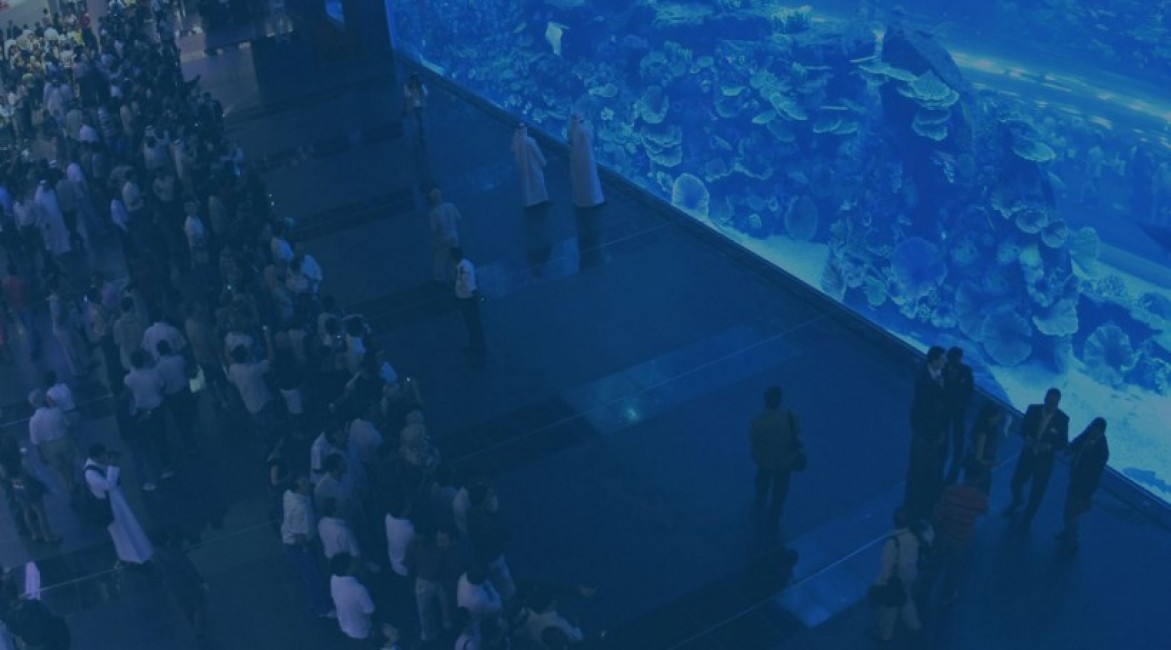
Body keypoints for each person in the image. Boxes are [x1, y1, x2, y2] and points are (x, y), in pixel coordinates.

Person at [1005, 388, 1069, 527]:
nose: (1051, 405)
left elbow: (1063, 442)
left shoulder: (1062, 420)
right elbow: (1023, 428)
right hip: (1028, 455)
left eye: (1054, 403)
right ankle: (1017, 501)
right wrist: (1027, 437)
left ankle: (1027, 520)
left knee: (1037, 493)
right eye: (1049, 401)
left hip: (1044, 462)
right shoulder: (1033, 409)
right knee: (1016, 482)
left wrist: (1049, 446)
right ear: (1045, 399)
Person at [84, 444, 154, 567]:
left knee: (128, 527)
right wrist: (111, 466)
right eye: (102, 456)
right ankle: (131, 557)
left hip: (116, 501)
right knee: (122, 532)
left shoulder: (95, 465)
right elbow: (108, 485)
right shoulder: (90, 473)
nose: (105, 457)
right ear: (96, 457)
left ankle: (138, 554)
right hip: (110, 505)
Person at [931, 462, 988, 603]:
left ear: (965, 474)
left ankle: (925, 589)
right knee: (953, 570)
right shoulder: (980, 499)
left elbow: (938, 515)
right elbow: (984, 511)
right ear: (979, 478)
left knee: (935, 564)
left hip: (944, 535)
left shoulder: (951, 491)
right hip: (961, 540)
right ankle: (946, 596)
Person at [281, 474, 333, 617]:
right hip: (299, 546)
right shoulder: (299, 507)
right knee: (312, 576)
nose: (308, 484)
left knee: (312, 574)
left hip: (297, 541)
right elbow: (298, 535)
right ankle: (322, 608)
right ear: (298, 488)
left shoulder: (289, 494)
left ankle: (319, 602)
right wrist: (305, 549)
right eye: (304, 484)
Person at [748, 385, 802, 523]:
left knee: (762, 483)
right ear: (780, 400)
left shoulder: (758, 421)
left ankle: (760, 503)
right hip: (785, 460)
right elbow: (797, 432)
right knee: (780, 490)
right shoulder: (791, 416)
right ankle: (775, 513)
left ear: (766, 400)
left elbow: (753, 438)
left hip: (765, 460)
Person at [1056, 417, 1109, 551]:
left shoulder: (1102, 451)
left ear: (1101, 432)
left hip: (1083, 486)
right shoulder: (1089, 433)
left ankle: (1073, 542)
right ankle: (1068, 532)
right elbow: (1079, 441)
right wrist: (1070, 449)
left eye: (1095, 430)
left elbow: (1094, 476)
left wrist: (1087, 495)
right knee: (1068, 510)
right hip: (1076, 478)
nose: (1092, 432)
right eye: (1092, 428)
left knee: (1071, 513)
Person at [871, 508, 921, 643]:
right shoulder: (914, 535)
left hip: (895, 579)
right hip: (910, 574)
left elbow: (887, 566)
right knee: (906, 598)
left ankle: (885, 636)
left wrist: (880, 583)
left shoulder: (892, 542)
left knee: (888, 609)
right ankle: (914, 624)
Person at [406, 523, 457, 643]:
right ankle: (433, 631)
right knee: (427, 609)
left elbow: (410, 566)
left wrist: (411, 583)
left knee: (438, 606)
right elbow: (410, 566)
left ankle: (438, 628)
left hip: (434, 581)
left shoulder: (417, 546)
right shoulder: (421, 546)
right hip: (429, 581)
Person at [155, 530, 209, 638]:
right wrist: (201, 581)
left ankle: (193, 626)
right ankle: (199, 628)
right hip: (186, 582)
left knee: (185, 607)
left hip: (173, 585)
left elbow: (158, 573)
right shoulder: (176, 552)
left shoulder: (157, 556)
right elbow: (188, 568)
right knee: (198, 603)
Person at [27, 389, 78, 501]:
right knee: (69, 464)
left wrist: (41, 455)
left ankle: (69, 487)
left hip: (48, 447)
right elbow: (67, 425)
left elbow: (36, 441)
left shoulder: (33, 421)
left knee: (60, 469)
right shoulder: (56, 412)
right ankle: (73, 482)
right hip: (63, 440)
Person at [942, 347, 974, 484]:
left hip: (959, 408)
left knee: (958, 432)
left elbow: (969, 388)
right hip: (945, 406)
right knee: (944, 429)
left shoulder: (966, 370)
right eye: (957, 357)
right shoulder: (943, 368)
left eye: (960, 357)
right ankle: (942, 449)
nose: (959, 360)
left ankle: (958, 454)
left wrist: (963, 401)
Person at [329, 553, 376, 645]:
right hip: (361, 628)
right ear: (347, 570)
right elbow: (370, 610)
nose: (355, 561)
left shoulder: (334, 579)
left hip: (344, 624)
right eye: (352, 562)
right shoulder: (358, 590)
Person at [451, 247, 486, 365]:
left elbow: (471, 287)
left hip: (468, 302)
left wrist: (478, 299)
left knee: (473, 326)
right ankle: (474, 345)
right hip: (466, 301)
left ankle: (478, 350)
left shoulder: (463, 269)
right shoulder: (464, 265)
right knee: (471, 326)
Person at [965, 404, 1004, 495]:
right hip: (978, 470)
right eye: (997, 416)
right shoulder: (982, 432)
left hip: (981, 468)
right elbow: (978, 458)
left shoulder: (991, 429)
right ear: (990, 417)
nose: (999, 418)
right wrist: (992, 463)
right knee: (974, 493)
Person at [568, 113, 604, 208]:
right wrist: (590, 126)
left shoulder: (571, 130)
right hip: (586, 157)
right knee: (589, 177)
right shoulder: (583, 130)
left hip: (575, 156)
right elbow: (591, 138)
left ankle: (580, 199)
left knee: (578, 178)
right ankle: (593, 199)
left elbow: (570, 141)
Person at [428, 188, 461, 283]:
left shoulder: (434, 213)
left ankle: (443, 280)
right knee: (454, 259)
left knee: (441, 261)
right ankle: (456, 279)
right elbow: (459, 218)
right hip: (454, 237)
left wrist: (435, 242)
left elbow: (434, 230)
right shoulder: (451, 206)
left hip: (443, 240)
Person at [512, 123, 548, 208]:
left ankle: (529, 201)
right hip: (533, 165)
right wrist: (543, 162)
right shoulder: (530, 141)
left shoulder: (516, 141)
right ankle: (542, 199)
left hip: (523, 166)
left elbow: (514, 153)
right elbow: (537, 153)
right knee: (538, 181)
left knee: (527, 183)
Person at [403, 73, 428, 146]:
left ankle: (422, 138)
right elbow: (407, 98)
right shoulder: (407, 86)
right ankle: (416, 140)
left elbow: (425, 94)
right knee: (415, 124)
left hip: (420, 107)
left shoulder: (420, 85)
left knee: (421, 123)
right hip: (413, 108)